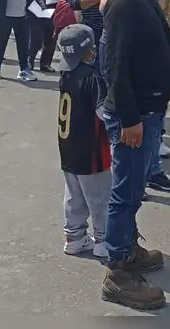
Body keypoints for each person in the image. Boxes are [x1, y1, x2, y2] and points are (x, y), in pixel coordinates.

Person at [100, 0, 170, 310]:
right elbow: (114, 66)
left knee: (134, 190)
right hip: (134, 116)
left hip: (151, 110)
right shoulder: (125, 0)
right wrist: (130, 118)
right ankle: (118, 271)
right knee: (126, 192)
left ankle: (128, 247)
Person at [56, 24, 111, 258]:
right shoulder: (92, 78)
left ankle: (75, 237)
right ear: (89, 51)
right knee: (99, 197)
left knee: (73, 195)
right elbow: (103, 115)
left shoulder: (66, 75)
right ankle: (103, 240)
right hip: (92, 151)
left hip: (68, 148)